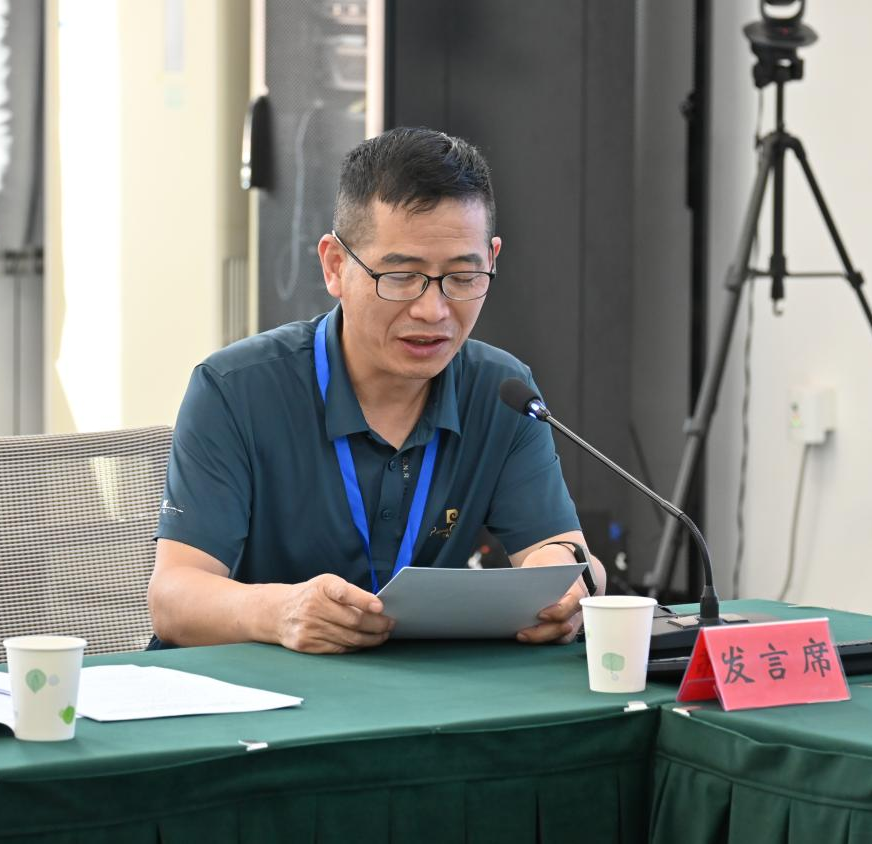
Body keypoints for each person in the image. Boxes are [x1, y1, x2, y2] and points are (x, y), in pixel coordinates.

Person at [148, 126, 604, 654]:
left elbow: (567, 554)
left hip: (417, 691)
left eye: (463, 277)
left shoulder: (502, 391)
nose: (433, 311)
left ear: (492, 259)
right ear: (335, 266)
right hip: (259, 692)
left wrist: (564, 584)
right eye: (402, 276)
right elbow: (173, 599)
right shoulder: (234, 390)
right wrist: (279, 612)